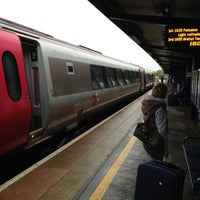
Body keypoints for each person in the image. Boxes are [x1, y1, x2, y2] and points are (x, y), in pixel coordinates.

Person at [141, 83, 168, 161]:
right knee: (157, 164)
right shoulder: (159, 108)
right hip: (155, 142)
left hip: (147, 138)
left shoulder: (147, 104)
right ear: (164, 94)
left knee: (151, 161)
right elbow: (162, 131)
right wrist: (166, 148)